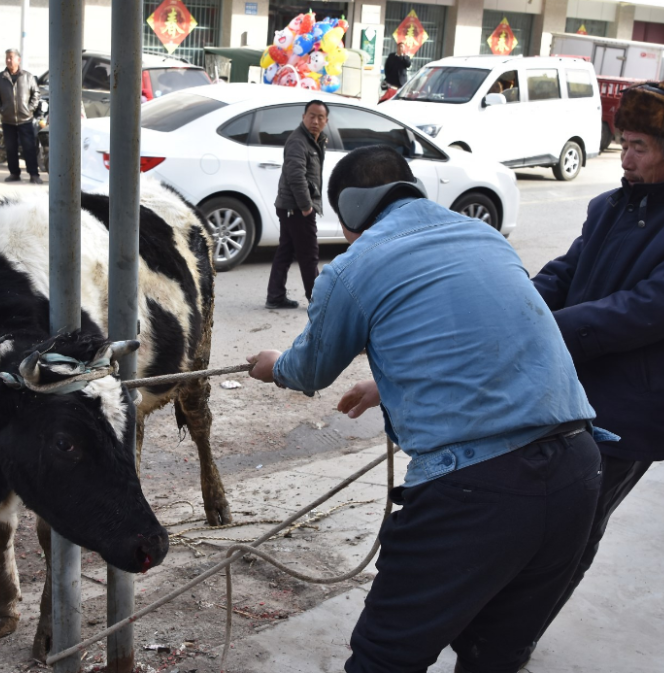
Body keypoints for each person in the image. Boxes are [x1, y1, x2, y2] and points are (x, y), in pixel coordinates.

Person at [247, 145, 604, 673]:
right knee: (494, 653)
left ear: (349, 210)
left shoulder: (355, 266)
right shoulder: (482, 235)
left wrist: (272, 364)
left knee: (386, 657)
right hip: (578, 468)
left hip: (477, 492)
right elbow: (473, 336)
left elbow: (308, 371)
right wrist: (384, 384)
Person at [531, 79, 664, 642]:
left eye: (638, 146)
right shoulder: (609, 205)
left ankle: (515, 637)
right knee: (535, 517)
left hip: (633, 408)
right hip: (572, 390)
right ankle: (504, 621)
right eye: (623, 141)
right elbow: (567, 271)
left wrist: (545, 331)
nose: (625, 157)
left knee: (576, 529)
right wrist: (516, 304)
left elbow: (643, 311)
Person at [266, 100, 328, 310]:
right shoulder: (298, 141)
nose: (315, 121)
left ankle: (275, 296)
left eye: (320, 117)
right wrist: (306, 206)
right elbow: (295, 175)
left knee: (286, 250)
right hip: (296, 207)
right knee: (309, 254)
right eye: (311, 115)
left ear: (326, 121)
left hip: (291, 206)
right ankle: (317, 300)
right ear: (303, 117)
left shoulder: (316, 141)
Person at [0, 48, 42, 184]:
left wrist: (30, 109)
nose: (8, 60)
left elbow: (36, 94)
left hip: (25, 119)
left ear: (18, 60)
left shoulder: (27, 77)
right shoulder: (0, 78)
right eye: (7, 58)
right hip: (8, 120)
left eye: (11, 57)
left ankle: (34, 174)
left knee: (29, 147)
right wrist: (1, 109)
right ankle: (14, 173)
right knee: (10, 148)